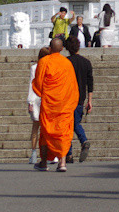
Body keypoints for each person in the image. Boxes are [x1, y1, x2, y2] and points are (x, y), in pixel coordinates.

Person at [31, 35, 79, 173]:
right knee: (63, 132)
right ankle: (62, 162)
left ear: (50, 48)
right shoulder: (67, 63)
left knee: (46, 133)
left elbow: (38, 84)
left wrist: (43, 92)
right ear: (62, 49)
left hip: (49, 105)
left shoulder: (44, 61)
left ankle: (44, 162)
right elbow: (72, 85)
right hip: (64, 104)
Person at [65, 35, 94, 164]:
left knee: (67, 126)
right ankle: (82, 142)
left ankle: (69, 153)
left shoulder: (66, 62)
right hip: (80, 99)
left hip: (66, 98)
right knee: (76, 122)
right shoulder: (86, 62)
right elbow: (90, 83)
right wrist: (90, 100)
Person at [28, 45, 51, 165]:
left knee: (38, 128)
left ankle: (43, 153)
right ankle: (34, 153)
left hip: (43, 98)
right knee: (38, 127)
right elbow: (32, 84)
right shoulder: (35, 68)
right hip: (38, 98)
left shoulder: (43, 67)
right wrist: (30, 101)